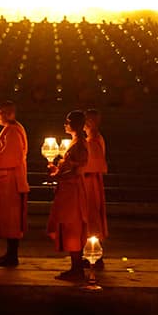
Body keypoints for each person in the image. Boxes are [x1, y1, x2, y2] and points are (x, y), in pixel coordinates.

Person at [0, 101, 29, 267]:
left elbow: (11, 157)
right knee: (7, 220)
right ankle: (9, 253)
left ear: (9, 114)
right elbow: (2, 152)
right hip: (6, 181)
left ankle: (12, 256)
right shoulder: (9, 130)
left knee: (12, 220)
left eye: (0, 112)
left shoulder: (14, 132)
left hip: (11, 182)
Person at [47, 110, 90, 282]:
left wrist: (58, 175)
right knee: (68, 225)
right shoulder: (75, 142)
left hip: (72, 191)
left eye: (68, 121)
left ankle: (77, 268)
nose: (65, 124)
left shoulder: (80, 144)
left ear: (76, 125)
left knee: (73, 226)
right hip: (68, 190)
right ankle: (75, 266)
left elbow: (77, 170)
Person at [82, 109, 108, 269]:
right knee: (90, 217)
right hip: (89, 182)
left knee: (92, 217)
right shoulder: (92, 140)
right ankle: (90, 252)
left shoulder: (93, 142)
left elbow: (95, 164)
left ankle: (95, 255)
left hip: (90, 183)